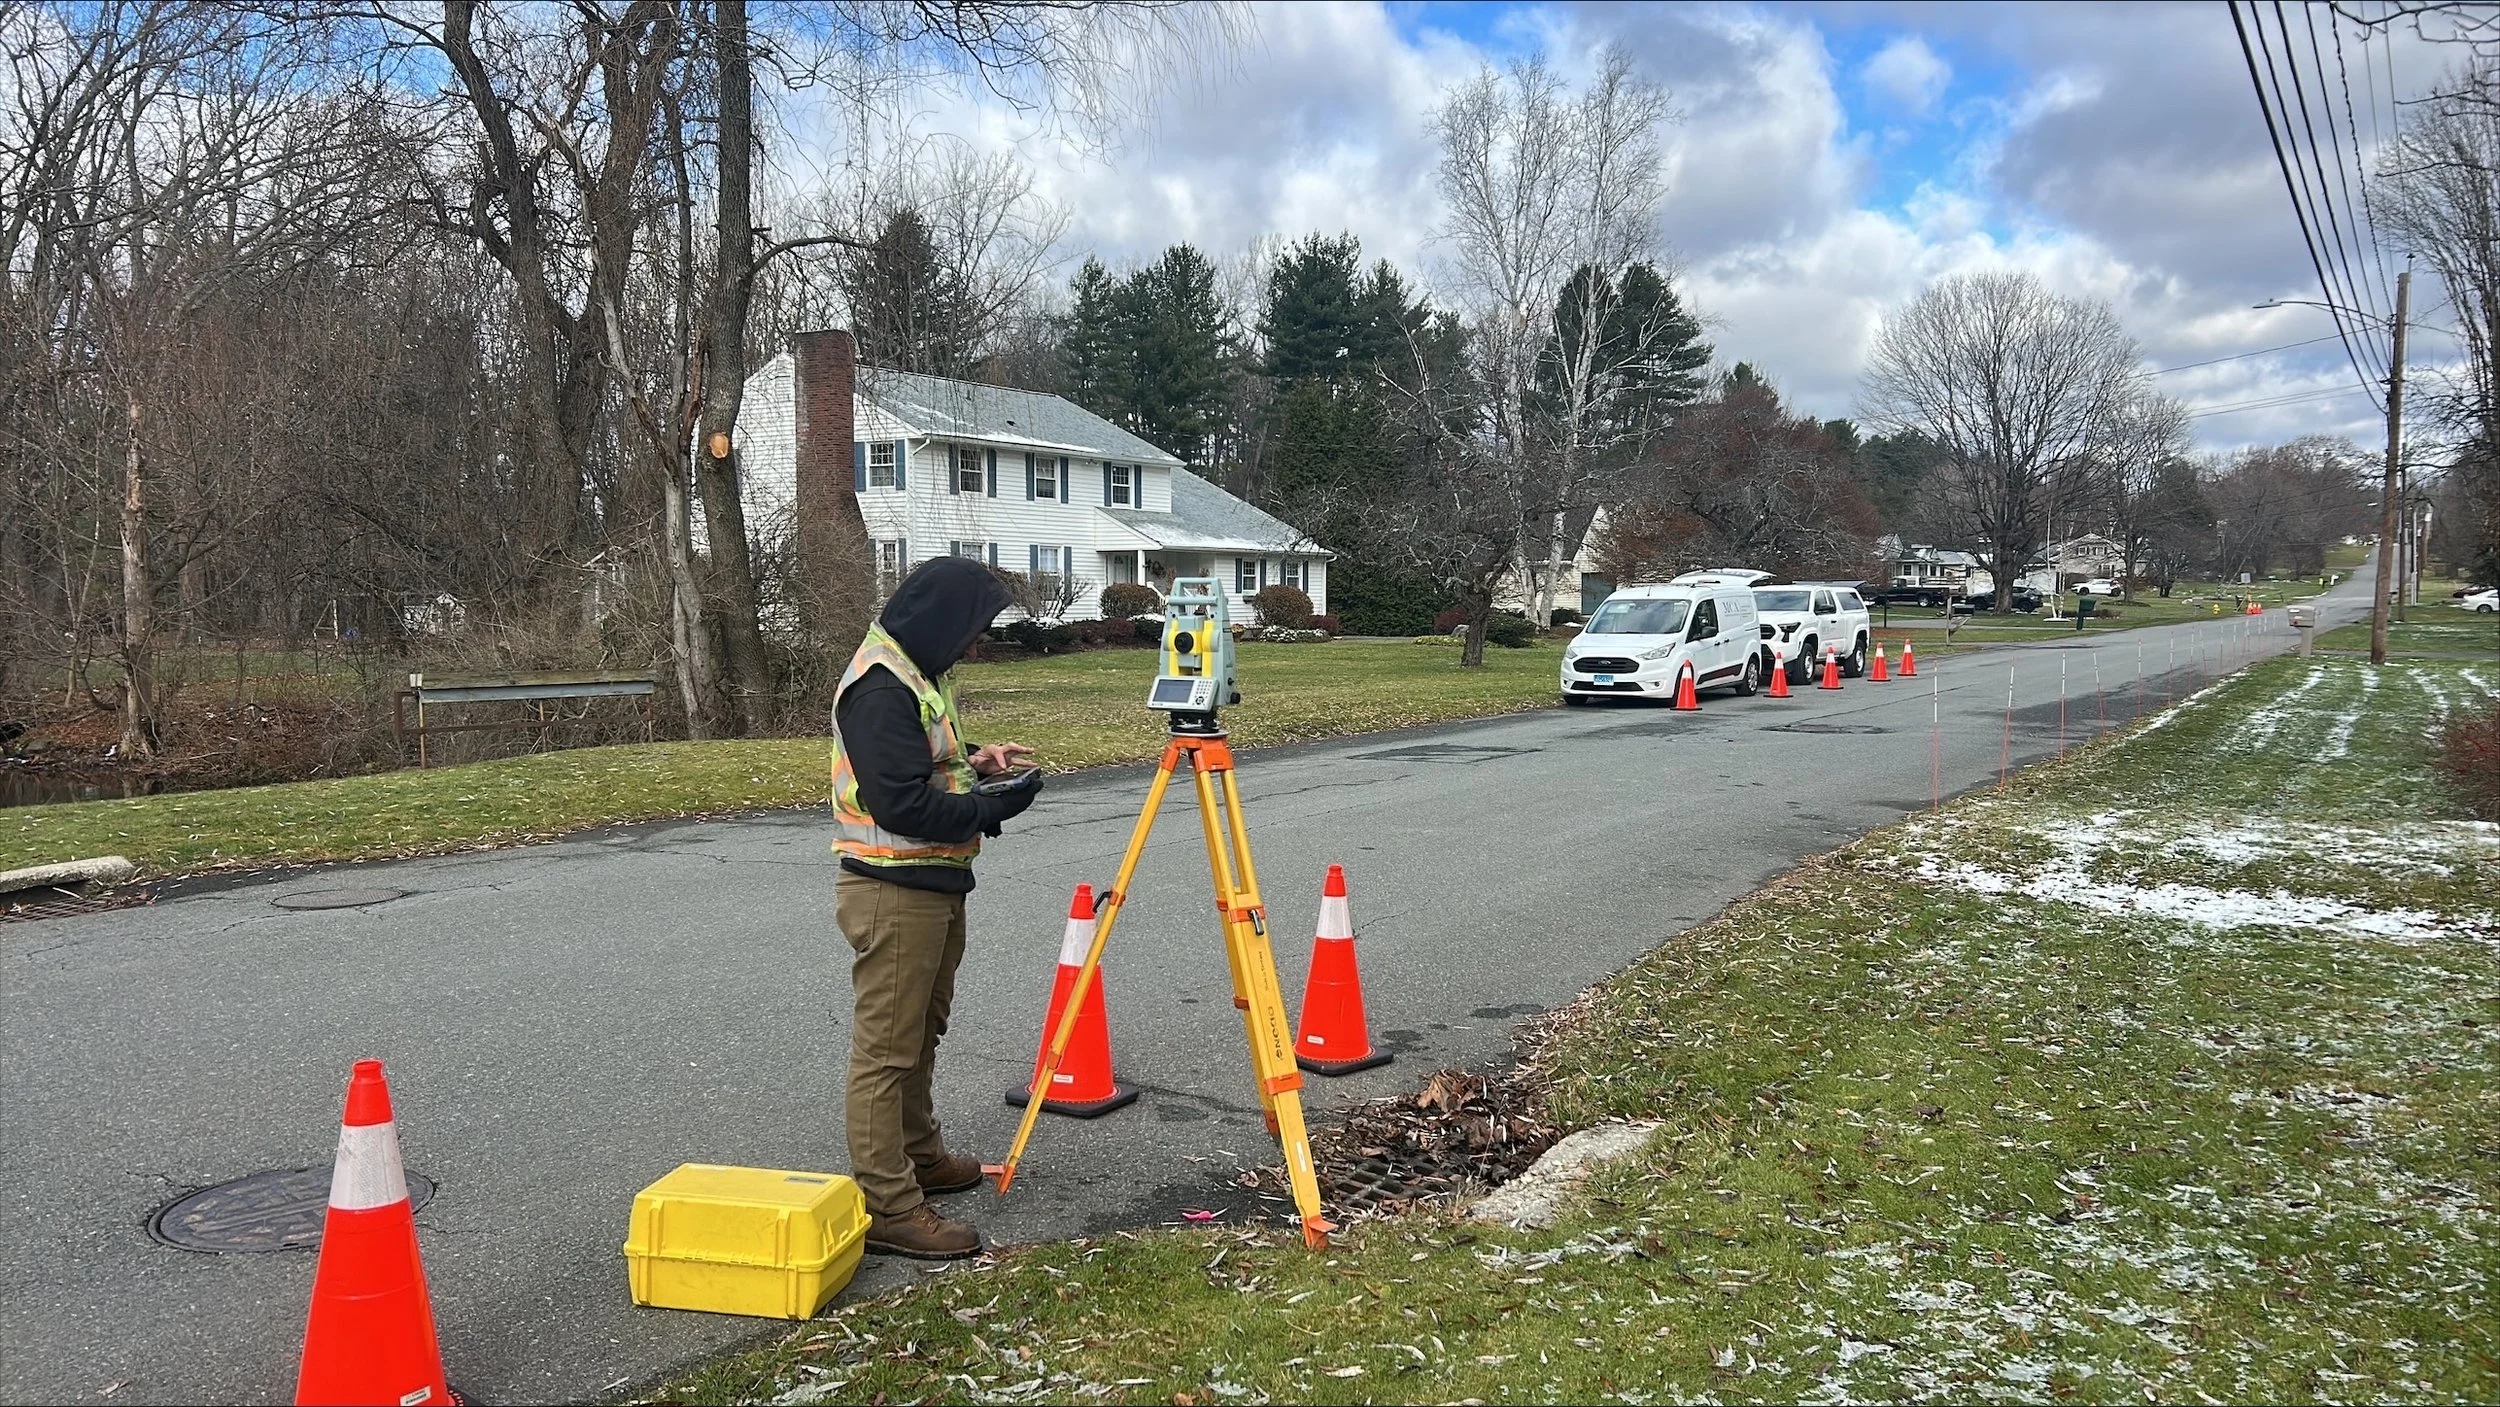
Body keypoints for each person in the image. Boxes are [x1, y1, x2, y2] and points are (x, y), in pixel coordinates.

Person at [828, 557, 1042, 1259]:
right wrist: (988, 807)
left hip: (931, 883)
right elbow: (900, 803)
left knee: (921, 1031)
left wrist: (976, 765)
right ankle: (888, 1203)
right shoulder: (881, 685)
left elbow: (919, 768)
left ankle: (920, 1156)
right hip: (892, 887)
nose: (976, 645)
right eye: (973, 630)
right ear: (942, 620)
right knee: (886, 1050)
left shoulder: (916, 672)